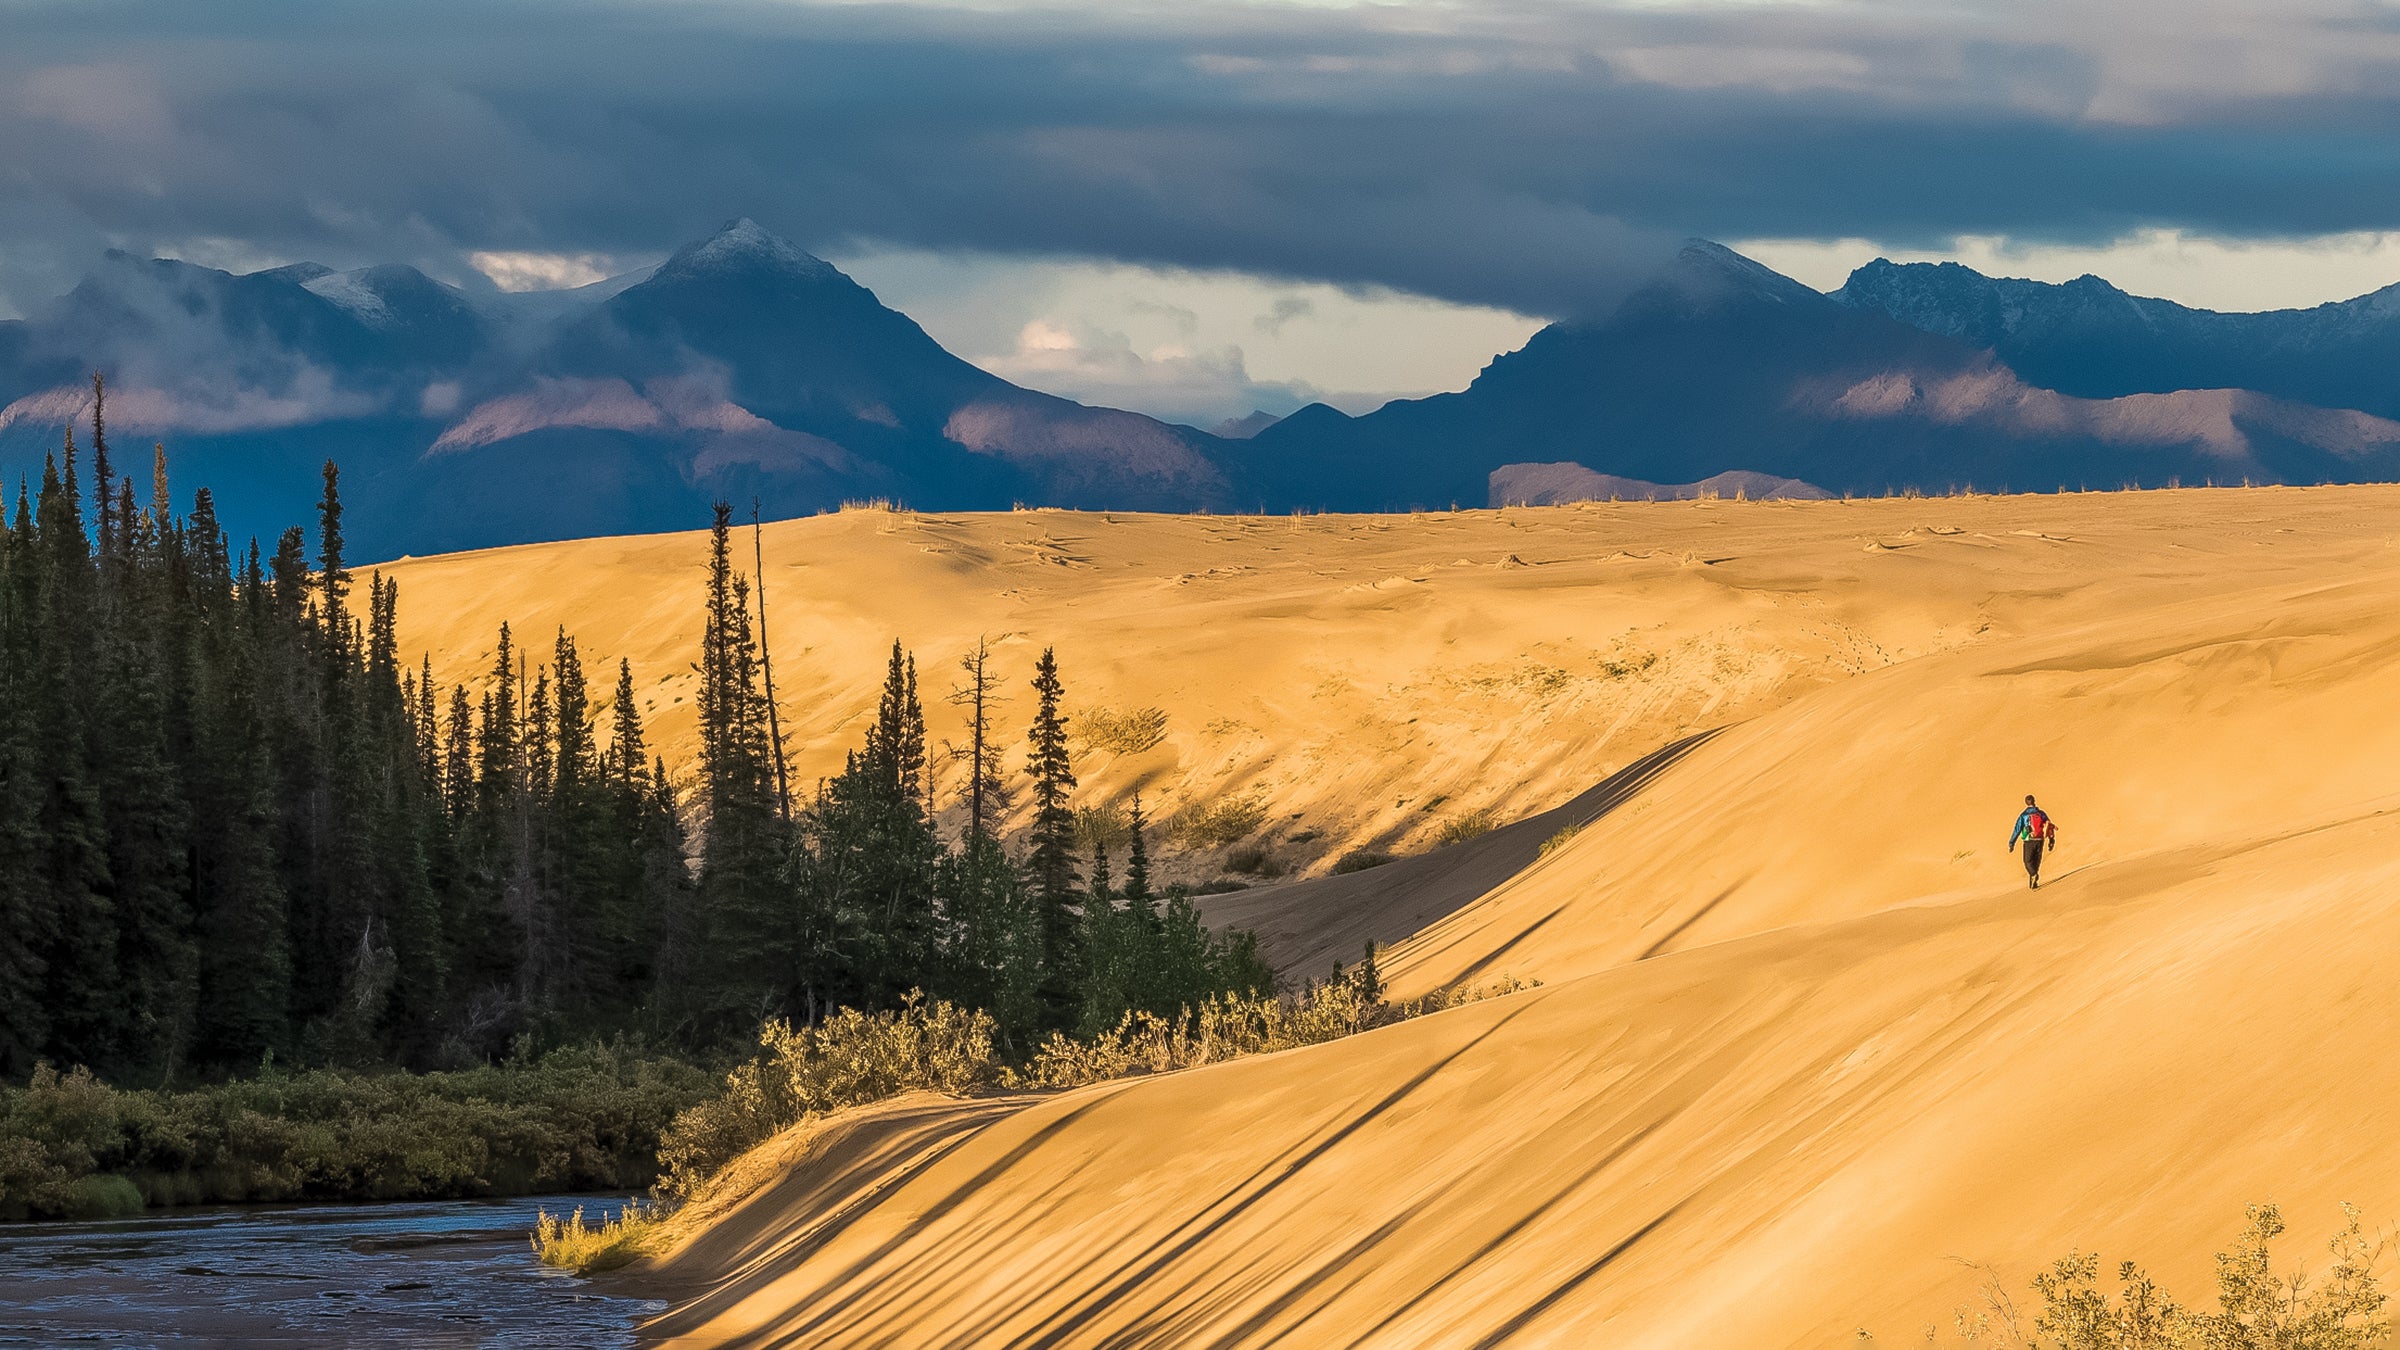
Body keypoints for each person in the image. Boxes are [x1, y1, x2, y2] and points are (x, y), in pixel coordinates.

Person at [2007, 795, 2057, 889]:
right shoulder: (2041, 813)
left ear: (2026, 803)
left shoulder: (2023, 815)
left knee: (2027, 861)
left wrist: (2011, 843)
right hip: (2040, 840)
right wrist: (2051, 840)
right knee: (2036, 861)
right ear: (2034, 801)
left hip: (2029, 840)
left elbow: (2017, 829)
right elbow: (2049, 826)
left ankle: (2034, 875)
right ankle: (2033, 884)